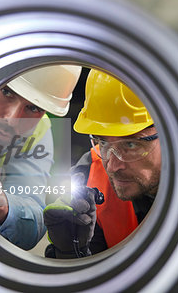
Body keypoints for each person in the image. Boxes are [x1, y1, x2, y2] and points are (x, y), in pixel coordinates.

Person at [43, 69, 161, 258]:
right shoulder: (88, 178)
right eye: (102, 142)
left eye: (130, 144)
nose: (112, 167)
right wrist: (70, 255)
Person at [0, 65, 82, 250]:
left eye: (33, 108)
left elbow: (32, 223)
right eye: (7, 92)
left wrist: (0, 207)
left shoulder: (37, 130)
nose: (12, 119)